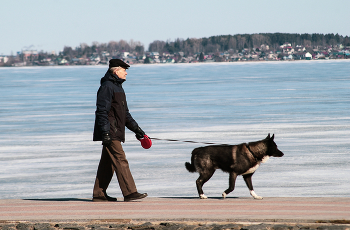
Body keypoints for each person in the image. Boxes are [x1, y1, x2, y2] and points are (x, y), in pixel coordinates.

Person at [92, 59, 148, 202]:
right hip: (110, 131)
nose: (126, 72)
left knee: (108, 163)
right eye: (124, 70)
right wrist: (105, 132)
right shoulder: (107, 87)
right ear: (116, 71)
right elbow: (101, 112)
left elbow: (125, 114)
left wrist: (137, 130)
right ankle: (130, 192)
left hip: (114, 131)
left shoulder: (118, 88)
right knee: (120, 159)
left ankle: (99, 193)